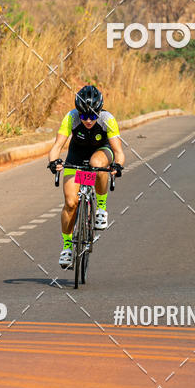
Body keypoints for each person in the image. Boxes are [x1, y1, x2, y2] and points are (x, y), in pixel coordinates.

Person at [47, 85, 124, 268]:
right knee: (71, 203)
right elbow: (57, 145)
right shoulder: (71, 117)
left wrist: (118, 165)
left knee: (97, 165)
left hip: (101, 152)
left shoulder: (107, 119)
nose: (88, 120)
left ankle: (101, 208)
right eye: (84, 116)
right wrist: (53, 161)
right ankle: (67, 247)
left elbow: (118, 151)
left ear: (99, 111)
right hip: (77, 156)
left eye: (92, 116)